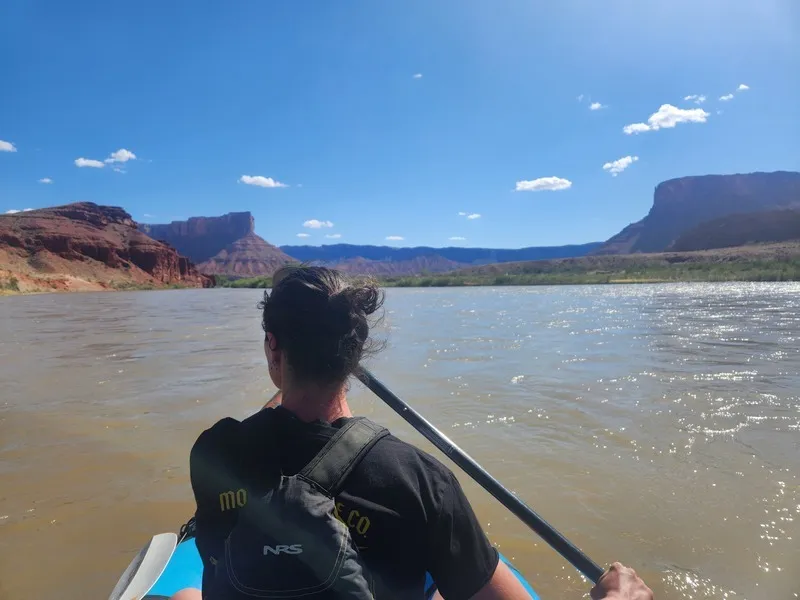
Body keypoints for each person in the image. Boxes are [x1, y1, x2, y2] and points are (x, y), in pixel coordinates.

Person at [171, 266, 653, 600]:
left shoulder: (214, 451)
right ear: (356, 356)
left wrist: (287, 369)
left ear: (272, 347)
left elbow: (277, 426)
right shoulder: (418, 479)